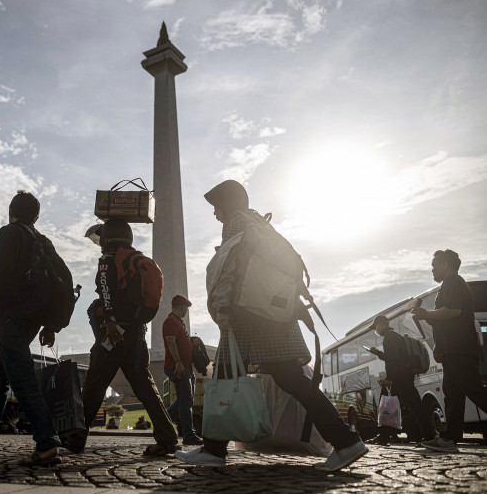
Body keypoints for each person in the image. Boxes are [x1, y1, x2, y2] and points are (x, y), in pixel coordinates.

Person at [176, 180, 366, 471]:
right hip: (275, 316)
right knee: (292, 379)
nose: (215, 213)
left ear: (228, 203)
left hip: (249, 318)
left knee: (226, 376)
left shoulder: (236, 222)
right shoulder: (260, 224)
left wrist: (224, 309)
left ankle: (213, 450)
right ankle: (345, 441)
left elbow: (231, 269)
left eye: (217, 206)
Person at [0, 190, 63, 466]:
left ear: (10, 211)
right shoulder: (43, 242)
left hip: (11, 317)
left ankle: (46, 442)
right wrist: (50, 325)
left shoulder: (11, 234)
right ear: (36, 217)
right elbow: (57, 285)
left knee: (22, 377)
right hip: (33, 319)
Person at [80, 219, 179, 456]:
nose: (99, 244)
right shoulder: (137, 260)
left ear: (108, 239)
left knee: (95, 383)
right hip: (136, 333)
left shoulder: (108, 260)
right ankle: (167, 437)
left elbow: (105, 290)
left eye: (101, 238)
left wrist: (111, 321)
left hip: (114, 333)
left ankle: (74, 436)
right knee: (144, 386)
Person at [411, 250, 487, 453]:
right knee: (453, 395)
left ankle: (449, 437)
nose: (432, 270)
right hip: (454, 348)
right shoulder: (451, 283)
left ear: (445, 264)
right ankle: (449, 438)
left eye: (434, 266)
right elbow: (446, 318)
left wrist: (428, 314)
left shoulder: (453, 281)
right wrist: (430, 322)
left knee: (473, 389)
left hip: (460, 348)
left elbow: (454, 311)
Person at [368, 315, 434, 445]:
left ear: (380, 325)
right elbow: (393, 357)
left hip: (398, 378)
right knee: (414, 406)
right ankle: (426, 435)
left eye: (375, 327)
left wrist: (390, 378)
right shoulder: (395, 335)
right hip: (405, 376)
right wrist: (378, 353)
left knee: (387, 405)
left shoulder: (389, 337)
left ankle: (385, 436)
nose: (375, 330)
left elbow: (393, 360)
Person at [163, 294, 203, 445]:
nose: (187, 310)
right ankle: (189, 435)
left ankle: (163, 425)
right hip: (178, 367)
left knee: (184, 400)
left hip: (186, 367)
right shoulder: (171, 321)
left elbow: (180, 342)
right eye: (186, 307)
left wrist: (192, 341)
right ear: (181, 306)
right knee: (186, 401)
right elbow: (171, 342)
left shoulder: (179, 322)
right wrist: (178, 362)